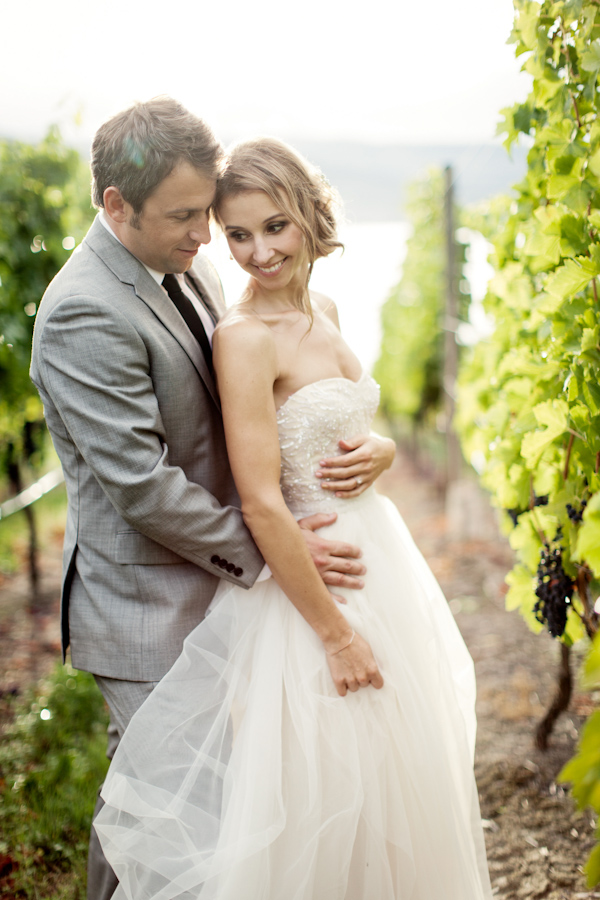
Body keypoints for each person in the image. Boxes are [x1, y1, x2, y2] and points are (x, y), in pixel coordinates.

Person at [94, 137, 493, 899]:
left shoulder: (329, 308)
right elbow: (261, 497)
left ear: (311, 214)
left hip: (378, 555)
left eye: (274, 226)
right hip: (315, 585)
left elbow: (332, 418)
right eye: (236, 234)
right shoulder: (242, 340)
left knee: (393, 782)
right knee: (324, 796)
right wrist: (336, 636)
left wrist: (376, 446)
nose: (256, 252)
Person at [29, 100, 395, 900]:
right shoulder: (83, 310)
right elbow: (142, 485)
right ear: (115, 205)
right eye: (187, 216)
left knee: (223, 813)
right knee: (158, 816)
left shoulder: (186, 258)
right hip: (150, 600)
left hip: (233, 579)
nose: (207, 237)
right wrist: (274, 544)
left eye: (209, 215)